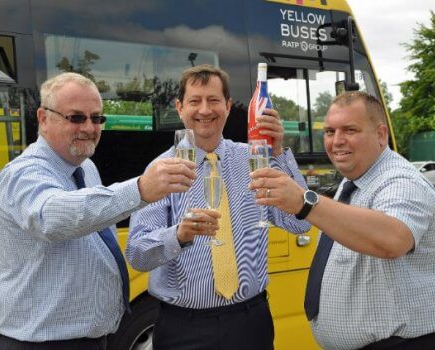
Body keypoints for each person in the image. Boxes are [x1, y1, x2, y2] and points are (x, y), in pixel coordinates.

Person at [0, 72, 196, 350]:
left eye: (97, 118)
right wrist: (141, 189)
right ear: (43, 118)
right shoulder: (22, 174)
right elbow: (53, 218)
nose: (89, 127)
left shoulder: (85, 166)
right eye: (76, 117)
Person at [249, 91, 435, 350]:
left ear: (381, 134)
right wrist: (277, 156)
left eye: (349, 130)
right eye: (329, 132)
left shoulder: (401, 181)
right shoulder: (355, 180)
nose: (337, 141)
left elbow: (393, 239)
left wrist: (305, 203)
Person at [126, 64, 311, 350]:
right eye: (194, 101)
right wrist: (178, 235)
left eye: (213, 100)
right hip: (183, 327)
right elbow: (138, 254)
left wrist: (277, 152)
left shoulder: (255, 159)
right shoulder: (161, 171)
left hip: (250, 322)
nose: (204, 110)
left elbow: (299, 223)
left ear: (227, 106)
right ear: (179, 107)